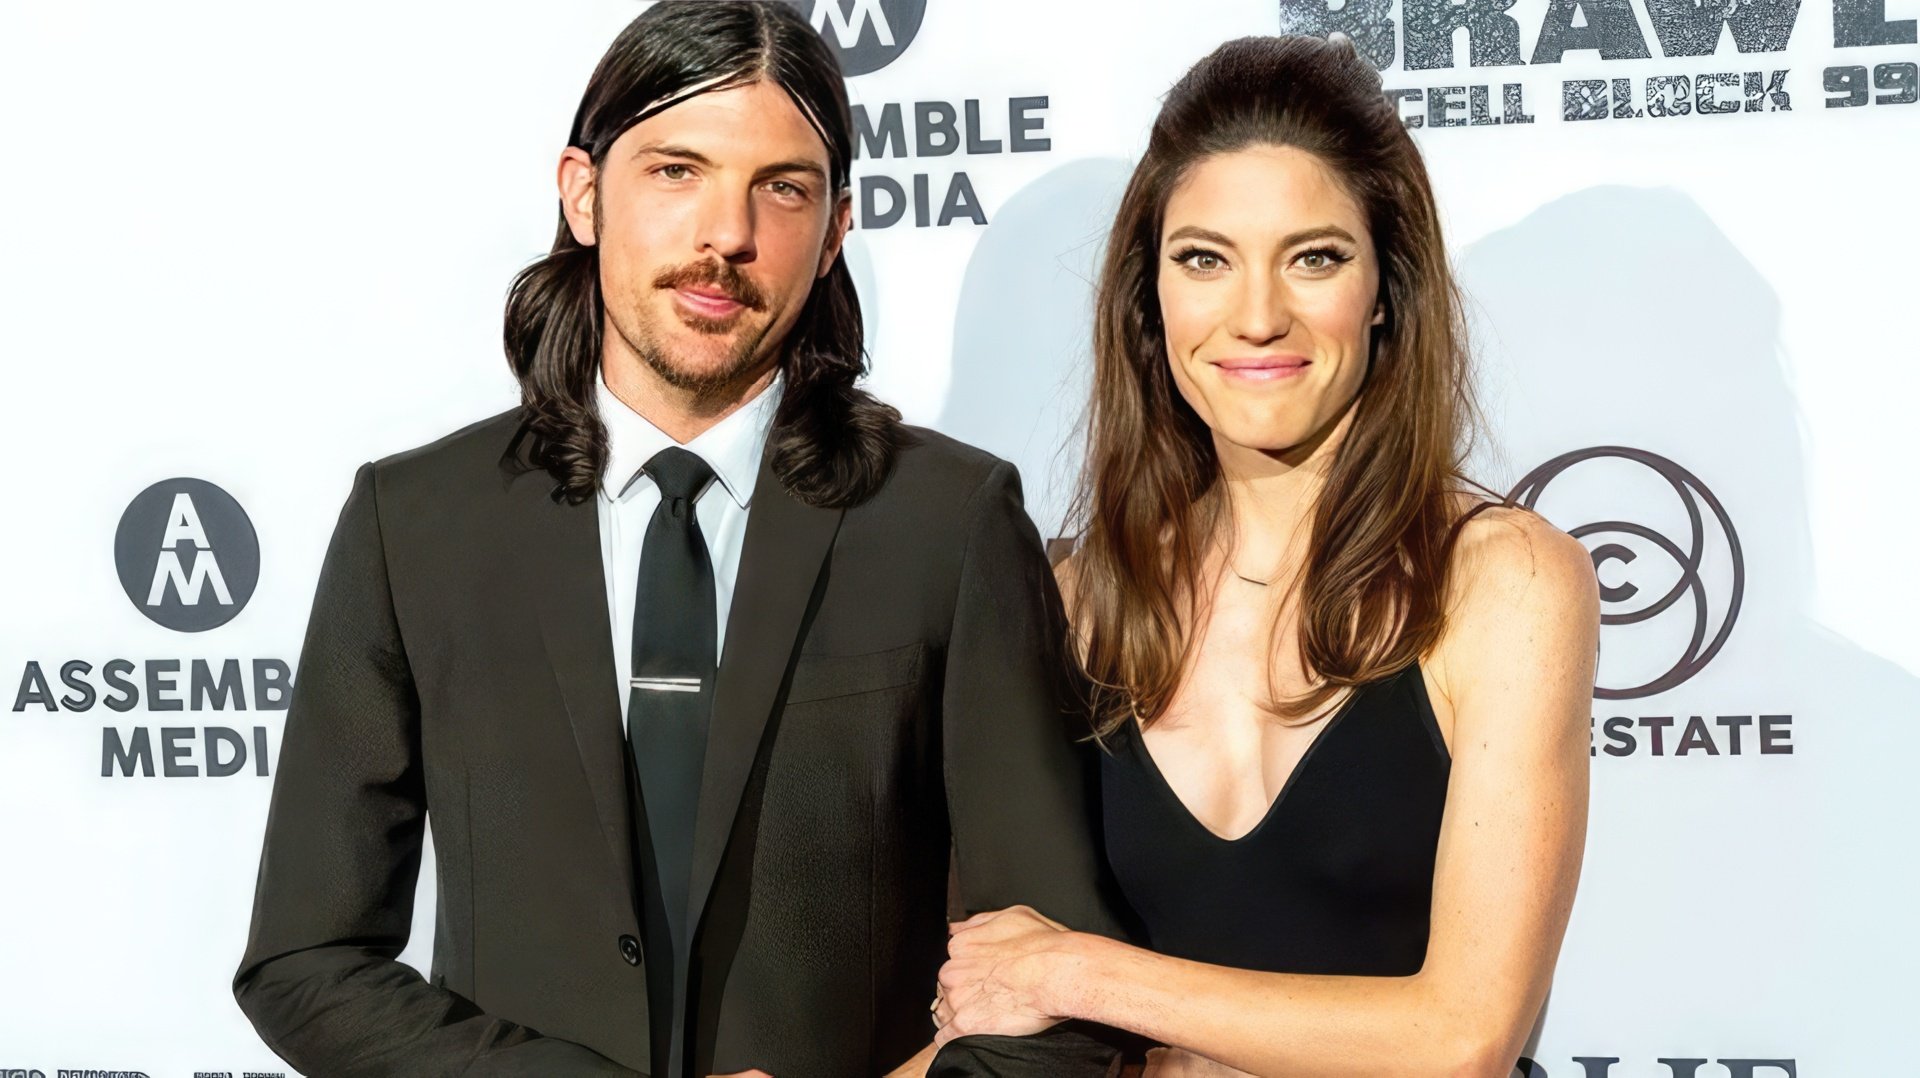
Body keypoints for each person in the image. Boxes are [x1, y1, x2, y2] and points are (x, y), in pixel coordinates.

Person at [232, 4, 1121, 1076]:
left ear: (837, 227)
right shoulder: (414, 522)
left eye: (782, 187)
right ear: (583, 192)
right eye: (675, 170)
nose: (726, 236)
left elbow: (1063, 982)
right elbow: (307, 955)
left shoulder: (948, 521)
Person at [931, 34, 1600, 1077]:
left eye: (1315, 257)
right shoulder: (1078, 600)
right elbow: (998, 1011)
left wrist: (1083, 975)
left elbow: (1462, 1037)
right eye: (1204, 258)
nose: (1256, 315)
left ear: (1384, 289)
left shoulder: (1503, 583)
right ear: (1148, 298)